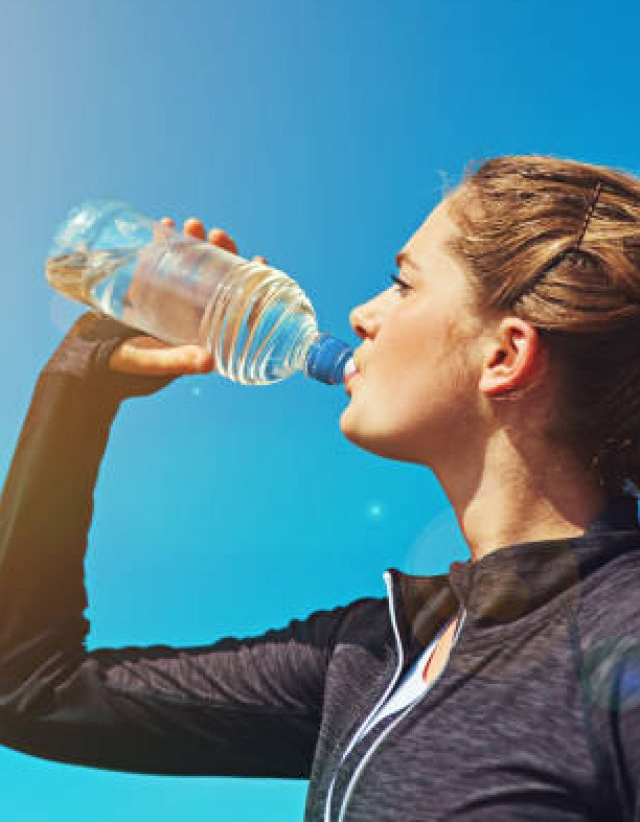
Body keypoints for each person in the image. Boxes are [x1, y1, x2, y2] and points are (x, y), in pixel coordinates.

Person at [1, 155, 640, 821]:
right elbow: (28, 689)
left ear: (504, 355)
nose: (363, 314)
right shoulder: (370, 652)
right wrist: (80, 384)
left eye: (403, 284)